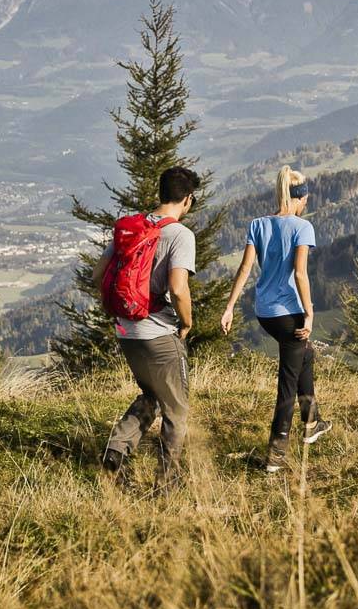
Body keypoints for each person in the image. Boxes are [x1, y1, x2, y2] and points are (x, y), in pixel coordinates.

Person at [220, 165, 334, 473]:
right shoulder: (302, 227)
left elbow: (244, 270)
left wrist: (230, 307)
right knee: (287, 380)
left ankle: (311, 423)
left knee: (305, 355)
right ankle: (275, 455)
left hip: (264, 312)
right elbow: (299, 273)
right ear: (299, 197)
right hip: (289, 313)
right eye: (306, 198)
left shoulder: (258, 224)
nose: (307, 203)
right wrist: (309, 313)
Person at [100, 166, 199, 482]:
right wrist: (186, 322)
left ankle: (115, 450)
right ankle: (167, 479)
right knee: (176, 407)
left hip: (126, 330)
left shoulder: (131, 227)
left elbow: (97, 274)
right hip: (158, 332)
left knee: (152, 394)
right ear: (187, 200)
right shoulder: (180, 234)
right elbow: (178, 287)